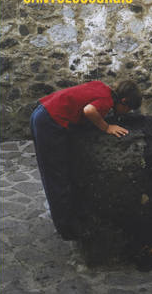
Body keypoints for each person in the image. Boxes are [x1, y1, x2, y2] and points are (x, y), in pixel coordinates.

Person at [29, 79, 142, 240]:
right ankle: (66, 229)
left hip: (41, 112)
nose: (126, 112)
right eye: (128, 109)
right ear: (123, 101)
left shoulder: (103, 87)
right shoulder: (107, 101)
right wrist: (106, 127)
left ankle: (66, 219)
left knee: (55, 173)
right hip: (49, 121)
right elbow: (89, 110)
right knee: (56, 177)